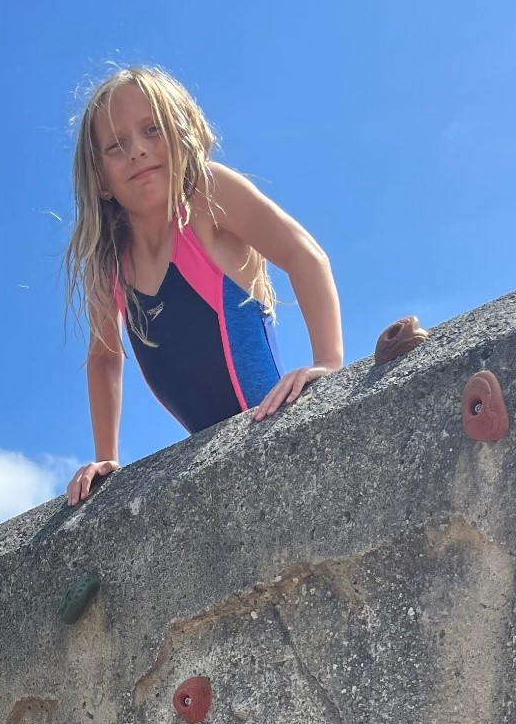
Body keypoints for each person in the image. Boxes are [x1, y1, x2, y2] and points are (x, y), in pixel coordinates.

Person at [64, 64, 344, 505]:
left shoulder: (206, 198)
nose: (137, 151)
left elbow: (303, 254)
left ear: (181, 134)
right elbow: (103, 357)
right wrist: (106, 458)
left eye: (151, 130)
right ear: (100, 178)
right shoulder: (110, 261)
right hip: (221, 473)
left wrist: (328, 364)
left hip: (283, 433)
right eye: (116, 146)